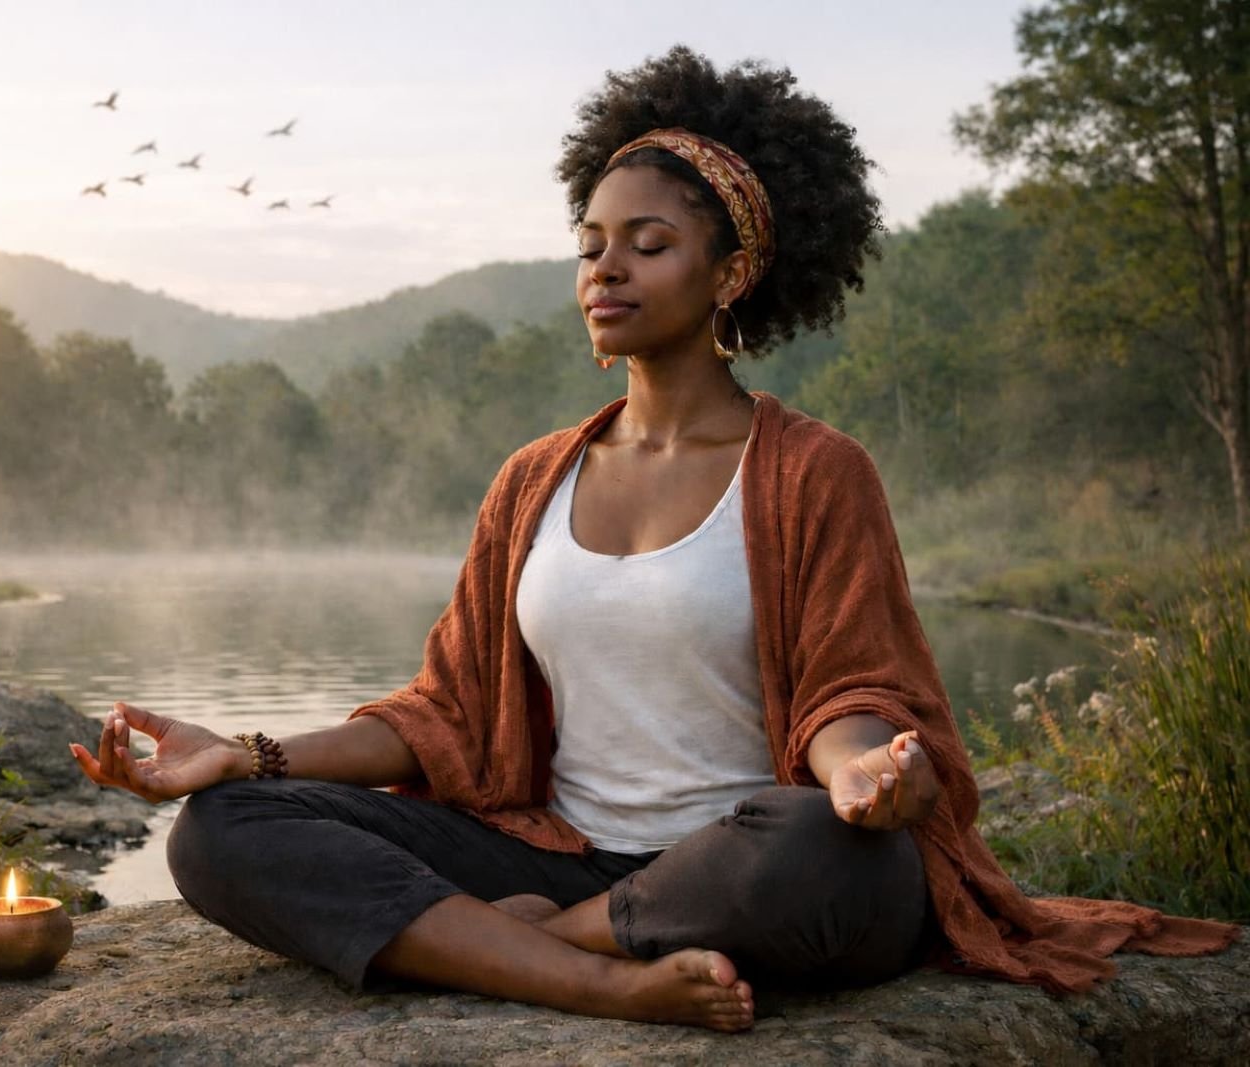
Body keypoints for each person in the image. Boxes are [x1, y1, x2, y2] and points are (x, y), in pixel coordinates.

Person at [71, 47, 1237, 1032]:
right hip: (558, 851)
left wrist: (866, 776)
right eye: (589, 243)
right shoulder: (534, 478)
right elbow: (447, 717)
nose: (605, 267)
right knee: (224, 834)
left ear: (731, 270)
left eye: (647, 241)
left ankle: (523, 947)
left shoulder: (814, 471)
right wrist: (245, 754)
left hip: (746, 856)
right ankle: (600, 979)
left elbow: (852, 693)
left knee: (835, 854)